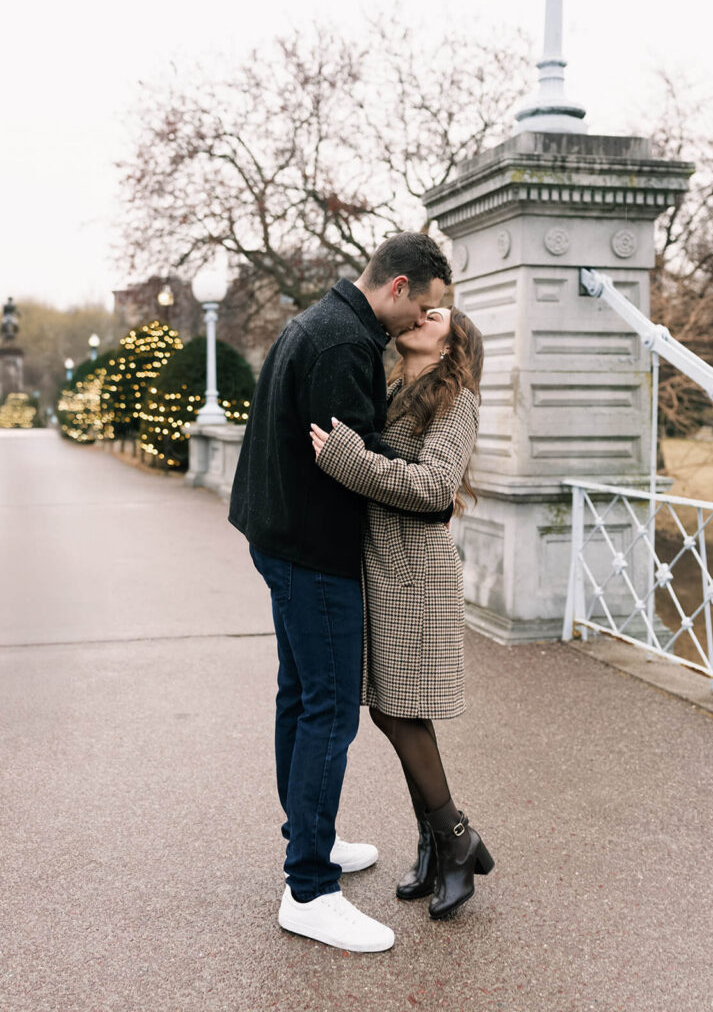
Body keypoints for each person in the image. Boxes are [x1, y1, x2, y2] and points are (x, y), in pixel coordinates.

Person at [228, 232, 452, 952]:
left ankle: (309, 844)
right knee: (328, 711)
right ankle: (309, 890)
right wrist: (433, 493)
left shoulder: (318, 323)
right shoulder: (344, 345)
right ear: (397, 288)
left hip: (279, 538)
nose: (421, 323)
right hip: (314, 551)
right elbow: (353, 454)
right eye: (423, 308)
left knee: (299, 697)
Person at [309, 305, 493, 921]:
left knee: (399, 708)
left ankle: (457, 838)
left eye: (435, 314)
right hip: (383, 565)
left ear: (451, 345)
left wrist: (346, 458)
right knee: (395, 708)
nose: (419, 314)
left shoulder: (455, 398)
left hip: (415, 570)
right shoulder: (393, 388)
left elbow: (434, 486)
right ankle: (437, 842)